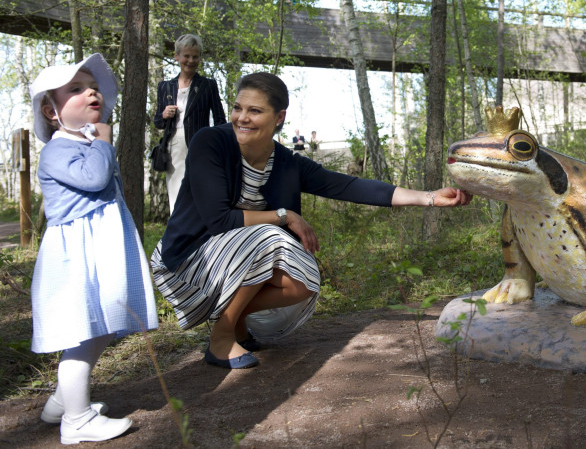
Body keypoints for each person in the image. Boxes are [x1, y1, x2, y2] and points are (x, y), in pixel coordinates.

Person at [150, 72, 472, 370]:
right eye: (237, 108)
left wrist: (429, 197)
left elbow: (349, 186)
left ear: (279, 118)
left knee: (303, 278)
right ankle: (221, 339)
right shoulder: (211, 143)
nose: (242, 118)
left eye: (255, 111)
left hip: (229, 260)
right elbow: (219, 220)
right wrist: (284, 215)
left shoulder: (288, 163)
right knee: (269, 236)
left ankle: (237, 320)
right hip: (187, 262)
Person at [28, 53, 158, 444]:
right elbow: (96, 177)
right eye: (76, 89)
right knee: (83, 335)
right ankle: (77, 421)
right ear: (52, 112)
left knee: (101, 328)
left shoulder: (83, 140)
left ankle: (61, 402)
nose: (91, 92)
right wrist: (103, 140)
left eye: (94, 87)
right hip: (75, 256)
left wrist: (97, 140)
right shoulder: (57, 149)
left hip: (99, 248)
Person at [153, 34, 226, 214]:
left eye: (195, 56)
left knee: (200, 194)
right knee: (176, 194)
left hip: (200, 147)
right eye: (186, 56)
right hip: (173, 148)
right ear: (177, 56)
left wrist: (216, 147)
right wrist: (164, 114)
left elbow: (220, 120)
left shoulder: (208, 85)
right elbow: (157, 122)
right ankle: (178, 236)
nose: (191, 60)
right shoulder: (165, 86)